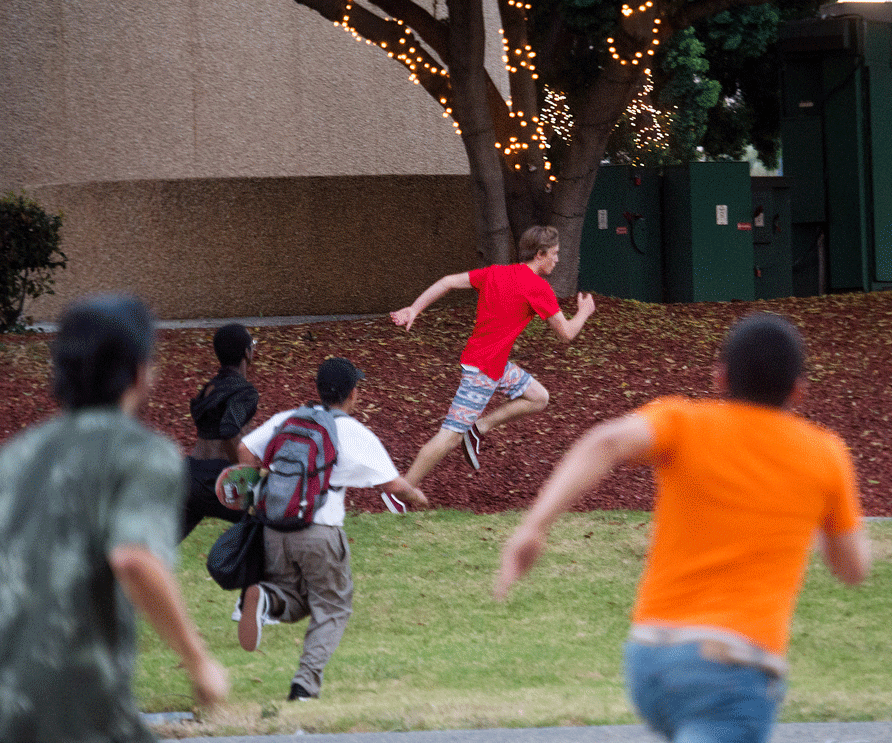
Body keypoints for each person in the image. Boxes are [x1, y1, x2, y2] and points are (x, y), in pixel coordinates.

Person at [495, 314, 871, 743]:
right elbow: (852, 569)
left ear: (721, 377)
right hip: (733, 670)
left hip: (651, 662)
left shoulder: (682, 421)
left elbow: (606, 441)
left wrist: (533, 527)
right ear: (798, 390)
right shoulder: (825, 454)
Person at [0, 294, 228, 743]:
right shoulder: (141, 453)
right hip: (75, 727)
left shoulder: (13, 457)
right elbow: (134, 559)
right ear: (140, 373)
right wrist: (199, 662)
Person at [235, 357, 427, 702]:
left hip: (275, 529)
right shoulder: (353, 433)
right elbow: (393, 484)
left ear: (319, 389)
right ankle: (305, 686)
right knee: (333, 606)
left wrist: (258, 492)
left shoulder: (289, 419)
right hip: (320, 532)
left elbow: (245, 449)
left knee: (295, 598)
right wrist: (417, 496)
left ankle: (264, 600)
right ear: (353, 394)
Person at [390, 225, 595, 497]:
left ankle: (478, 428)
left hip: (491, 365)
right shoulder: (538, 287)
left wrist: (415, 308)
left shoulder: (496, 272)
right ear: (540, 254)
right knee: (449, 436)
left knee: (538, 397)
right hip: (483, 372)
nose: (557, 259)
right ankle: (399, 492)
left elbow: (448, 281)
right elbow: (567, 334)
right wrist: (584, 312)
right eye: (555, 254)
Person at [182, 323, 259, 540]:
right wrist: (245, 472)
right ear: (247, 353)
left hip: (190, 476)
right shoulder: (245, 392)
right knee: (266, 525)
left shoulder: (208, 389)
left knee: (158, 549)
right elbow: (228, 430)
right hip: (221, 477)